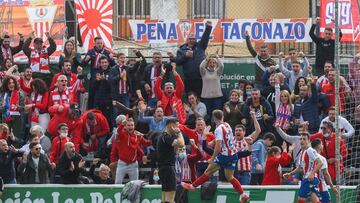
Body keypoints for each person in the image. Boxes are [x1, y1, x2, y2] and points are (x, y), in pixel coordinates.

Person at [181, 110, 249, 203]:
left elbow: (218, 146)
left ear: (214, 118)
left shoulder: (218, 129)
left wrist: (213, 158)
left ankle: (192, 186)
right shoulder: (227, 125)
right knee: (230, 177)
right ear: (222, 117)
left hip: (224, 155)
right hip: (233, 154)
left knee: (208, 171)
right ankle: (243, 194)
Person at [283, 133, 323, 203]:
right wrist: (290, 173)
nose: (302, 141)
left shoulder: (310, 150)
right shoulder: (302, 152)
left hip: (309, 178)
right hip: (309, 178)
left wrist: (312, 174)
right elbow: (300, 168)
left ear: (309, 141)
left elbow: (320, 163)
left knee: (301, 198)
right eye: (300, 139)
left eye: (304, 139)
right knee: (314, 199)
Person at [176, 21, 212, 96]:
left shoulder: (200, 46)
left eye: (193, 39)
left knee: (200, 97)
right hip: (188, 79)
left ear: (195, 40)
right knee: (190, 97)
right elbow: (178, 62)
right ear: (187, 40)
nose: (192, 40)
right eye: (190, 39)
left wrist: (208, 27)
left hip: (200, 78)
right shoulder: (181, 50)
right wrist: (185, 56)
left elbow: (205, 37)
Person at [110, 117, 151, 184]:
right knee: (117, 183)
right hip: (122, 163)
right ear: (125, 127)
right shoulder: (122, 134)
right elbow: (118, 131)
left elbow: (147, 143)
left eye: (132, 125)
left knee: (135, 184)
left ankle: (134, 195)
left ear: (134, 126)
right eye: (128, 125)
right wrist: (122, 125)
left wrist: (151, 136)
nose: (130, 127)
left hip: (133, 164)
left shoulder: (138, 135)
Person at [81, 36, 115, 109]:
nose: (100, 45)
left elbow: (113, 65)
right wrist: (86, 60)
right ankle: (90, 110)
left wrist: (112, 59)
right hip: (94, 72)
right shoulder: (91, 51)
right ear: (95, 43)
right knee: (92, 92)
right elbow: (82, 64)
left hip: (104, 72)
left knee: (104, 90)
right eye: (98, 43)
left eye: (101, 43)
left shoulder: (106, 52)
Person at [157, 118, 185, 203]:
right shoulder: (165, 137)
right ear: (171, 125)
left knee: (165, 195)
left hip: (164, 168)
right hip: (168, 168)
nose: (178, 128)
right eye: (177, 126)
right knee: (171, 195)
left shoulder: (163, 137)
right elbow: (181, 144)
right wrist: (179, 133)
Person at [233, 111, 261, 185]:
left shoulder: (247, 139)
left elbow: (258, 131)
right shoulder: (230, 140)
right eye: (236, 130)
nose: (237, 132)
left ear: (244, 132)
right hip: (234, 171)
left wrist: (254, 117)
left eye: (240, 130)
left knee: (244, 191)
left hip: (246, 171)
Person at [311, 138, 339, 203]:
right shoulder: (321, 158)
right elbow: (326, 174)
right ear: (319, 146)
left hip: (311, 187)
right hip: (321, 187)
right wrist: (332, 187)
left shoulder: (308, 156)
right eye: (322, 144)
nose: (323, 146)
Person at [0, 76, 25, 145]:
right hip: (6, 119)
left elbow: (23, 108)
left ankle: (16, 152)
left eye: (13, 82)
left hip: (17, 120)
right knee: (5, 137)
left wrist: (17, 107)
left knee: (16, 138)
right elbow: (1, 110)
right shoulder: (3, 95)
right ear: (6, 85)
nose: (11, 84)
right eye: (9, 83)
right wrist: (3, 106)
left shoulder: (20, 94)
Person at [94, 56, 113, 126]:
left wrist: (105, 79)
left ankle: (108, 134)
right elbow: (94, 87)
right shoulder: (97, 72)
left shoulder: (112, 71)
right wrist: (97, 81)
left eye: (105, 62)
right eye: (102, 62)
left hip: (108, 100)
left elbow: (112, 86)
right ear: (99, 64)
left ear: (108, 63)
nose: (104, 64)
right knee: (98, 119)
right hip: (99, 100)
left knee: (108, 119)